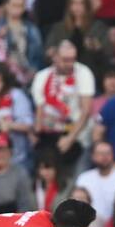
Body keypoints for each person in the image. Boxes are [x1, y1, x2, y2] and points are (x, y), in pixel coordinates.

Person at [30, 40, 94, 168]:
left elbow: (86, 110)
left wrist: (70, 138)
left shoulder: (83, 72)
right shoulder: (42, 76)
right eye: (65, 60)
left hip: (76, 133)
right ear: (55, 57)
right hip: (49, 132)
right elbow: (40, 109)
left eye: (73, 59)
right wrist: (35, 135)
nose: (70, 64)